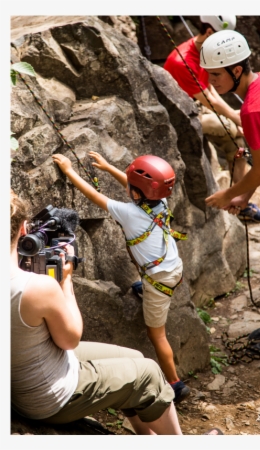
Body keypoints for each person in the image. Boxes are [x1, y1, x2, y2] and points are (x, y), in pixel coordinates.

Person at [10, 189, 183, 435]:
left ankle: (148, 436)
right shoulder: (38, 287)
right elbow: (69, 340)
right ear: (24, 230)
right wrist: (66, 280)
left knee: (134, 357)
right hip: (46, 398)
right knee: (149, 373)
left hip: (24, 379)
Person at [52, 152, 191, 404]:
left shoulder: (128, 211)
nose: (129, 188)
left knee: (156, 334)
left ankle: (175, 383)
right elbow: (136, 187)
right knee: (148, 283)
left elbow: (94, 196)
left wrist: (70, 171)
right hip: (170, 268)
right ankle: (147, 289)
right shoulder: (160, 202)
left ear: (139, 192)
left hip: (160, 280)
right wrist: (107, 168)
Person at [201, 30, 260, 355]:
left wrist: (230, 194)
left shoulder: (253, 109)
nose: (211, 80)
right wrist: (245, 196)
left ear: (235, 70)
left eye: (215, 74)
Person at [164, 15, 260, 223]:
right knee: (233, 128)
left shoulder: (205, 52)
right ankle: (236, 198)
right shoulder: (181, 60)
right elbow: (207, 99)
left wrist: (233, 115)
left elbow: (210, 89)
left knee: (236, 141)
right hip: (179, 116)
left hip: (197, 107)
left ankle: (240, 201)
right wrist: (235, 120)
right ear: (210, 33)